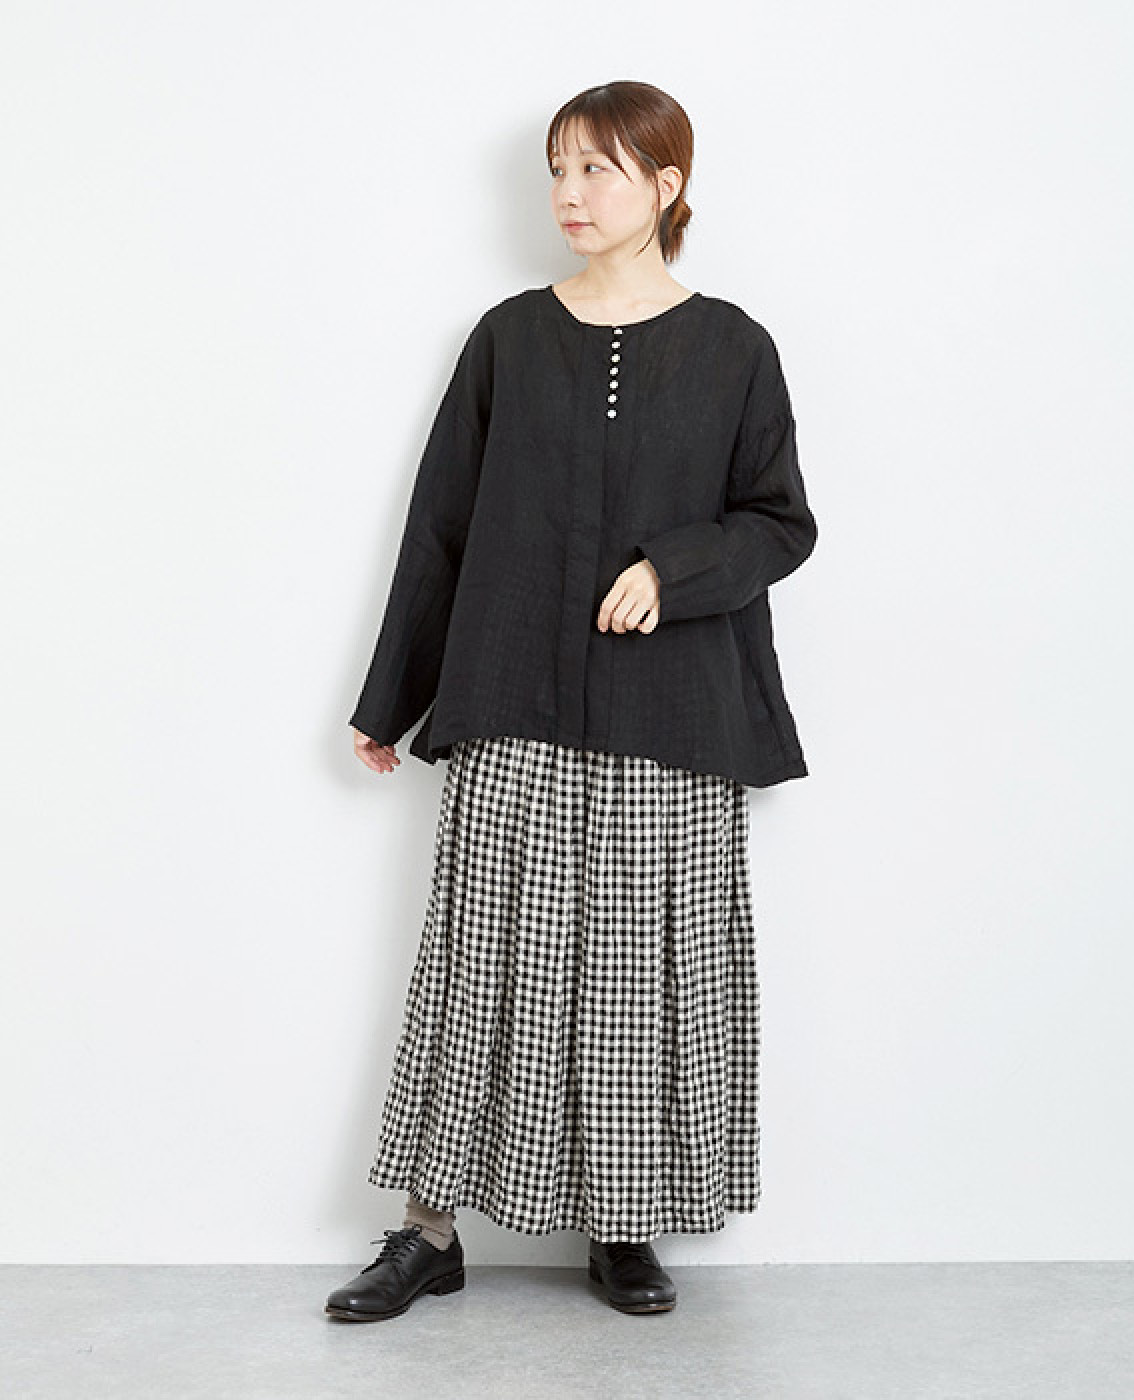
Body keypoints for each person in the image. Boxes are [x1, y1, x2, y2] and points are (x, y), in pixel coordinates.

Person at [325, 78, 818, 1322]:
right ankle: (429, 1230)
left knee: (646, 977)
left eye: (598, 167)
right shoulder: (505, 338)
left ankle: (624, 1226)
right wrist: (391, 696)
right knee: (482, 967)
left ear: (667, 183)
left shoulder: (736, 348)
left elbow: (781, 521)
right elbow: (442, 528)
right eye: (558, 167)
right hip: (513, 695)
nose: (569, 192)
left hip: (672, 716)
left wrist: (673, 569)